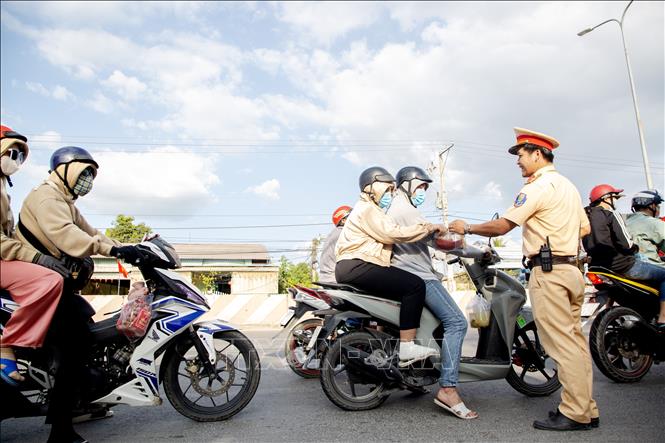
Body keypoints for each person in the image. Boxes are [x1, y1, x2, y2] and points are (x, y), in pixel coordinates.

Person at [449, 127, 599, 431]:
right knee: (576, 344)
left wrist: (467, 227)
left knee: (560, 346)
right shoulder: (568, 187)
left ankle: (574, 412)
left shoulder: (538, 187)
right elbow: (584, 229)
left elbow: (504, 225)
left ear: (538, 154)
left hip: (550, 273)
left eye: (521, 155)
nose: (518, 161)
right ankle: (587, 408)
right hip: (572, 270)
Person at [17, 146, 142, 443]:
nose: (87, 179)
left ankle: (84, 400)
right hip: (39, 285)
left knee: (85, 325)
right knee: (76, 344)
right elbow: (67, 236)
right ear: (65, 169)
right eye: (83, 172)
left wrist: (127, 248)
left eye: (91, 175)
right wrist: (112, 250)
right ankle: (61, 431)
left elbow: (90, 232)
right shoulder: (47, 197)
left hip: (53, 284)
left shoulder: (65, 201)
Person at [388, 166, 477, 420]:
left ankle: (423, 374)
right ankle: (448, 389)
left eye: (426, 188)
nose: (423, 192)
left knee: (441, 325)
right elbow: (443, 241)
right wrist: (477, 251)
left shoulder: (401, 208)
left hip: (413, 273)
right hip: (421, 277)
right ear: (406, 184)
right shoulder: (404, 209)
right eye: (421, 187)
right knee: (457, 323)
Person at [335, 166, 446, 366]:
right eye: (386, 190)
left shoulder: (370, 209)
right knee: (415, 286)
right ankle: (407, 347)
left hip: (355, 265)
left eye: (392, 190)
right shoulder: (367, 209)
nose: (390, 194)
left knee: (399, 296)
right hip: (358, 265)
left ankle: (397, 350)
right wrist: (428, 228)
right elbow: (393, 233)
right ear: (372, 188)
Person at [0, 125, 67, 387]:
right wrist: (37, 259)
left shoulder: (4, 186)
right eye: (10, 152)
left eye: (19, 154)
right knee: (48, 281)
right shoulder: (43, 196)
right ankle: (7, 345)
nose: (15, 159)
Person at [583, 185, 665, 329]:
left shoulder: (586, 216)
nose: (616, 201)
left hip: (597, 266)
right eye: (614, 198)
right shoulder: (612, 215)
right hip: (624, 265)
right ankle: (663, 317)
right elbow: (626, 243)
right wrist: (634, 248)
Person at [625, 190, 665, 266]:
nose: (659, 209)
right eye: (658, 206)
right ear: (652, 206)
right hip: (652, 268)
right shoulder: (654, 223)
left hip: (630, 268)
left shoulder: (625, 223)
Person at [318, 205, 352, 283]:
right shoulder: (344, 233)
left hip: (326, 278)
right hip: (334, 279)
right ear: (343, 220)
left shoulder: (334, 233)